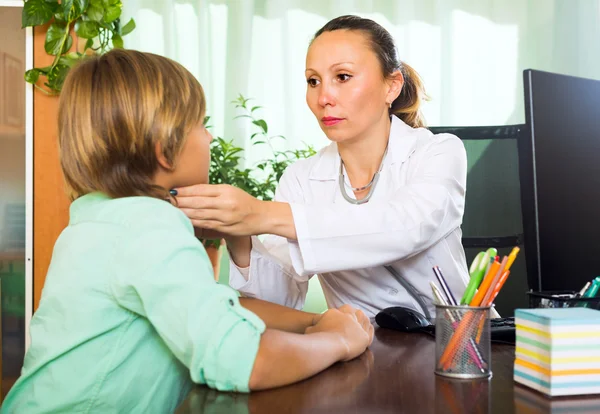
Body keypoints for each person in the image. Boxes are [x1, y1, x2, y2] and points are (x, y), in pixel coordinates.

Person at [2, 49, 373, 414]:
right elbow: (243, 361)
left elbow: (214, 306)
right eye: (201, 124)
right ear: (165, 151)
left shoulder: (99, 216)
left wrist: (316, 320)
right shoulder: (147, 225)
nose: (210, 137)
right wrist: (338, 340)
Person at [174, 15, 469, 320]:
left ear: (392, 86)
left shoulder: (438, 151)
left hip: (459, 347)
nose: (323, 98)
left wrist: (258, 214)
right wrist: (238, 233)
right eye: (313, 81)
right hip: (368, 351)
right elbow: (281, 298)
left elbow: (407, 227)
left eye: (342, 77)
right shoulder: (301, 179)